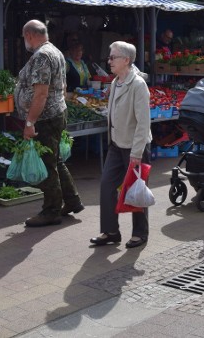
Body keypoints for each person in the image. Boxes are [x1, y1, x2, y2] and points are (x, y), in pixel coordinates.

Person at [15, 20, 83, 227]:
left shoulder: (42, 56)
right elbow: (61, 87)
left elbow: (41, 93)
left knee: (47, 163)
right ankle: (71, 200)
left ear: (29, 35)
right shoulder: (55, 51)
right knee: (55, 160)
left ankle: (51, 210)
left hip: (45, 117)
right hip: (56, 112)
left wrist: (30, 122)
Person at [91, 41, 152, 249]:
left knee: (135, 190)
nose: (109, 61)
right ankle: (110, 231)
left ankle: (139, 233)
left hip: (135, 147)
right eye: (109, 57)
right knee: (107, 185)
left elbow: (144, 122)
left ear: (126, 60)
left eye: (113, 57)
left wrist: (136, 153)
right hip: (117, 144)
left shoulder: (137, 84)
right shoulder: (116, 82)